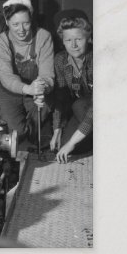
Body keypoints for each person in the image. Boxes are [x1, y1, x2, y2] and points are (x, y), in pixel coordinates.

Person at [0, 0, 54, 142]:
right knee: (16, 136)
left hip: (35, 86)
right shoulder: (1, 41)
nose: (21, 30)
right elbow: (6, 76)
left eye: (26, 23)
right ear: (7, 22)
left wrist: (41, 89)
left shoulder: (43, 36)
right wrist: (28, 89)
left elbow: (47, 73)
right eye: (15, 24)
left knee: (38, 137)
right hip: (7, 89)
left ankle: (37, 130)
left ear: (31, 20)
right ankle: (24, 128)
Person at [50, 15, 93, 163]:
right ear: (63, 41)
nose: (73, 45)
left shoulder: (98, 59)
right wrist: (57, 130)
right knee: (64, 145)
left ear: (88, 38)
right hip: (80, 112)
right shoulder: (60, 60)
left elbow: (97, 108)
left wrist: (72, 142)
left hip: (100, 112)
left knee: (80, 105)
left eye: (79, 39)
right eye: (68, 40)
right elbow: (61, 98)